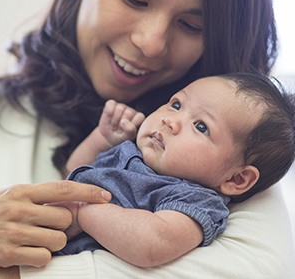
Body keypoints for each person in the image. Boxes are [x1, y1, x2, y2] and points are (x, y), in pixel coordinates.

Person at [0, 0, 294, 278]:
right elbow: (76, 171)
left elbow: (257, 270)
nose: (150, 43)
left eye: (191, 25)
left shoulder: (236, 160)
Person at [57, 73, 295, 267]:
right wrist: (101, 139)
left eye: (201, 126)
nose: (170, 121)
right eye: (176, 104)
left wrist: (82, 213)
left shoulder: (194, 199)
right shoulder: (131, 149)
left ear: (237, 178)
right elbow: (72, 170)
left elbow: (152, 244)